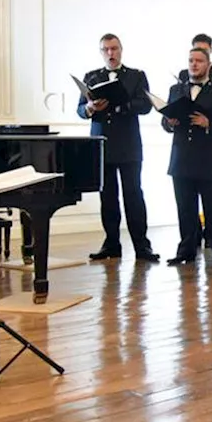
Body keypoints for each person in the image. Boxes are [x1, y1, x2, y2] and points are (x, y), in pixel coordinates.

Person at [76, 34, 159, 263]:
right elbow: (80, 110)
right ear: (101, 52)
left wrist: (120, 105)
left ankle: (142, 246)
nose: (110, 53)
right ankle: (111, 243)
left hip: (129, 144)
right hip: (102, 144)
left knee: (133, 194)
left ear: (121, 50)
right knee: (108, 196)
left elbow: (145, 106)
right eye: (105, 49)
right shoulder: (91, 77)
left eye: (114, 48)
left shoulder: (136, 76)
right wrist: (91, 108)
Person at [162, 47, 212, 267]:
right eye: (191, 60)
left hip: (208, 155)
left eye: (199, 61)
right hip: (181, 154)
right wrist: (169, 122)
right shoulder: (176, 89)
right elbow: (165, 122)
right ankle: (186, 250)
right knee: (185, 206)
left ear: (208, 64)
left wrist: (209, 124)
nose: (194, 64)